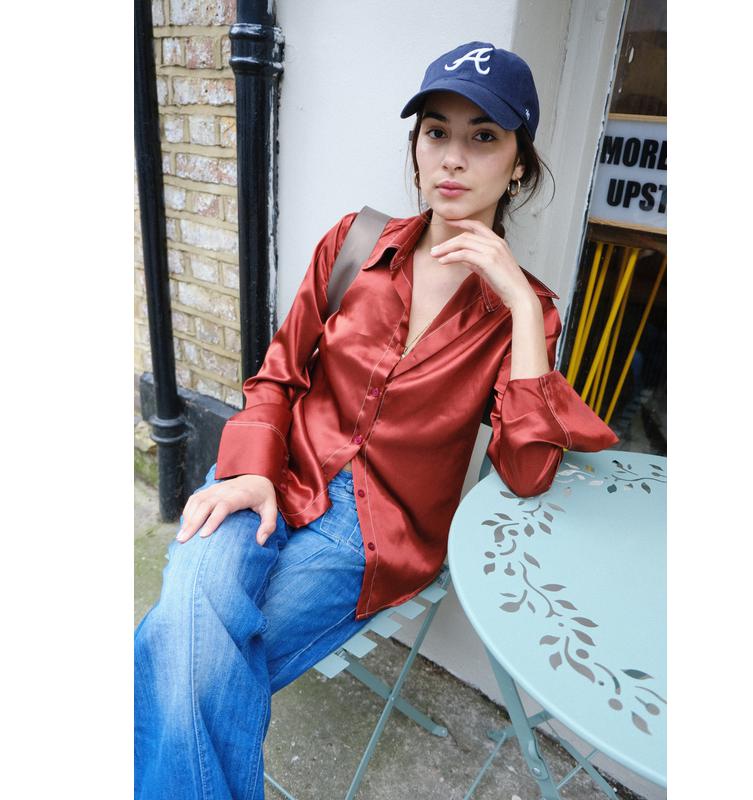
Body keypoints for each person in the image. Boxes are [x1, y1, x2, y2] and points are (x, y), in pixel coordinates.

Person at [134, 40, 619, 799]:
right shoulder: (354, 243)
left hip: (369, 532)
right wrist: (251, 470)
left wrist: (523, 307)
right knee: (182, 649)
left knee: (177, 654)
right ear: (415, 147)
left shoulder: (526, 313)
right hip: (272, 470)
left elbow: (528, 473)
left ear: (519, 166)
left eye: (483, 137)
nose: (452, 157)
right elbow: (278, 373)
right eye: (436, 132)